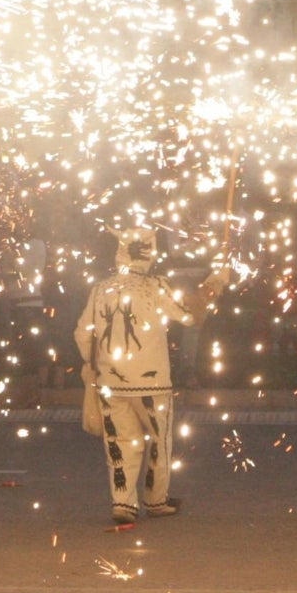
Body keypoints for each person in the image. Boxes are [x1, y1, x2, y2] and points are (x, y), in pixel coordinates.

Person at [75, 225, 217, 526]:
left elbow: (81, 333)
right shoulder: (156, 286)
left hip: (111, 381)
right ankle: (156, 499)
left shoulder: (100, 289)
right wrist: (213, 286)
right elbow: (190, 316)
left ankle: (123, 503)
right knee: (159, 441)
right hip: (152, 382)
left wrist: (92, 364)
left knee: (119, 442)